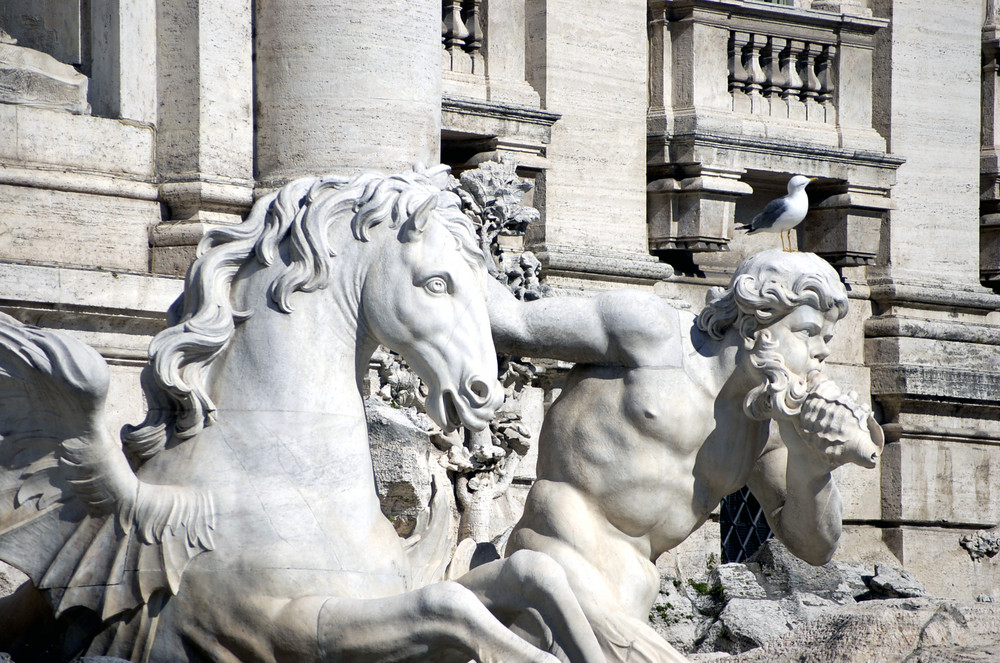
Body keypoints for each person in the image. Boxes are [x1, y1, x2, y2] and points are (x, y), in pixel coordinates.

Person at [485, 249, 882, 662]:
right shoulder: (652, 333)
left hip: (633, 583)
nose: (822, 353)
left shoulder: (765, 430)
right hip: (555, 541)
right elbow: (510, 322)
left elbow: (816, 548)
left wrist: (813, 465)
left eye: (828, 340)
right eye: (807, 332)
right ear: (751, 326)